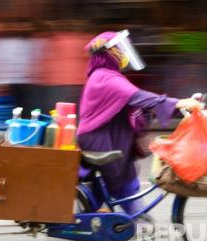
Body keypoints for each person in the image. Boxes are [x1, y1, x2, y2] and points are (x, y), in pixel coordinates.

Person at [77, 30, 200, 215]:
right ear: (108, 54)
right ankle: (131, 217)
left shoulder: (107, 75)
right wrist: (179, 102)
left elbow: (135, 100)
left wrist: (170, 105)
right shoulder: (106, 78)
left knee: (124, 173)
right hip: (99, 137)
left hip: (105, 133)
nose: (124, 54)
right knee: (120, 176)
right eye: (119, 49)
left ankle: (122, 215)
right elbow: (139, 97)